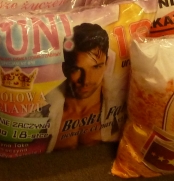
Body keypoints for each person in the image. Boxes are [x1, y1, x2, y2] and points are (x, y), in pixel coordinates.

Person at [44, 23, 123, 151]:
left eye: (96, 67)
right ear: (64, 68)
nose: (86, 80)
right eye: (77, 69)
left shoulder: (123, 102)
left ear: (107, 63)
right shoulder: (42, 109)